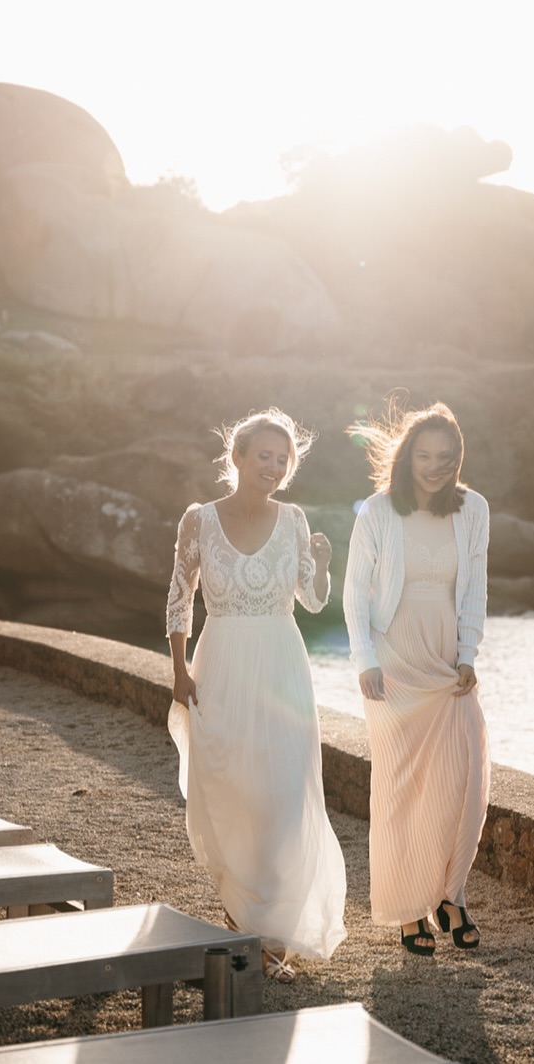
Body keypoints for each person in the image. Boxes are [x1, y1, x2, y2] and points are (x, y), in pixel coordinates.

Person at [165, 408, 347, 981]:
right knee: (229, 793)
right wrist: (178, 671)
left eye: (281, 459)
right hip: (218, 665)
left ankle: (272, 934)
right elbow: (179, 597)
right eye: (262, 455)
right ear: (237, 457)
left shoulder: (293, 519)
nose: (272, 466)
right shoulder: (198, 520)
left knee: (281, 798)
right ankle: (246, 930)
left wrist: (320, 565)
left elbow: (314, 601)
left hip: (280, 667)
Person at [343, 399, 491, 957]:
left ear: (458, 457)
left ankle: (449, 895)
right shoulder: (379, 512)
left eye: (445, 455)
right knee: (401, 787)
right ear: (406, 457)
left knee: (463, 782)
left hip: (449, 662)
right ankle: (409, 909)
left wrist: (470, 653)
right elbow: (355, 593)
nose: (435, 465)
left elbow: (474, 585)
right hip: (395, 662)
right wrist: (364, 662)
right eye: (425, 455)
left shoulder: (472, 508)